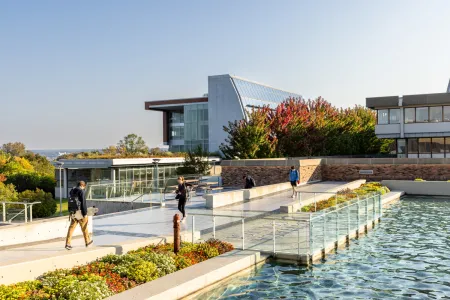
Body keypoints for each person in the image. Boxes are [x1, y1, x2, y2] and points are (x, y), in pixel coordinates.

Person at [65, 181, 93, 250]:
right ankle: (87, 241)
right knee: (84, 227)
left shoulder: (72, 191)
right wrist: (85, 213)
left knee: (71, 228)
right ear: (82, 185)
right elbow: (83, 203)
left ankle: (68, 243)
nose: (84, 188)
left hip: (73, 212)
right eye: (84, 187)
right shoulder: (81, 191)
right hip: (80, 213)